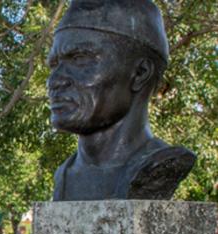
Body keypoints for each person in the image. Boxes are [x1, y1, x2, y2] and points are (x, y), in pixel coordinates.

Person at [49, 0, 195, 201]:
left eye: (80, 59)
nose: (55, 80)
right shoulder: (64, 176)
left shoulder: (159, 165)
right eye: (54, 64)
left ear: (139, 73)